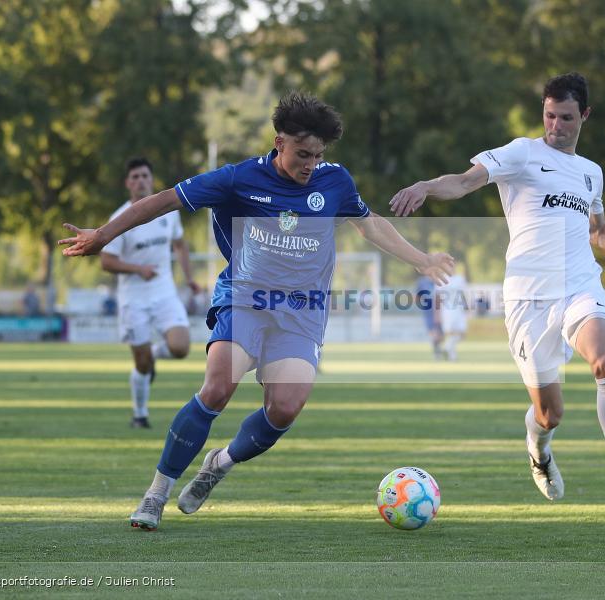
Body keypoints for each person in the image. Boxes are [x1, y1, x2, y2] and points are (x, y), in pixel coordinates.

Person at [59, 91, 453, 531]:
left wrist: (420, 258)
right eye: (303, 154)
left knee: (285, 408)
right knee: (217, 388)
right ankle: (156, 494)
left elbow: (369, 223)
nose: (310, 163)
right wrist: (105, 235)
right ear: (279, 141)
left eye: (318, 155)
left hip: (301, 311)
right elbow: (166, 199)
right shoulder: (238, 178)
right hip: (244, 298)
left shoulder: (335, 181)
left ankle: (220, 463)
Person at [390, 73, 605, 513]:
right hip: (528, 299)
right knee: (551, 413)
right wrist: (425, 187)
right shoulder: (521, 153)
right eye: (549, 115)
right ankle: (539, 450)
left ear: (584, 115)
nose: (556, 126)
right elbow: (464, 181)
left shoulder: (591, 173)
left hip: (579, 285)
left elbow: (600, 232)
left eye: (566, 117)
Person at [100, 158, 200, 429]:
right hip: (134, 299)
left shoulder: (169, 212)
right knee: (141, 363)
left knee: (181, 347)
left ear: (151, 179)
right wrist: (136, 268)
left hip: (164, 292)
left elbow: (179, 245)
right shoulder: (119, 219)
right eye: (135, 176)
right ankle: (139, 415)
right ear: (127, 183)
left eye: (145, 175)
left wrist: (190, 279)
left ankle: (156, 353)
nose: (141, 180)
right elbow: (106, 261)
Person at [436, 264, 468, 361]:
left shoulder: (460, 279)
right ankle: (452, 356)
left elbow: (464, 294)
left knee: (462, 333)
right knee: (450, 332)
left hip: (459, 309)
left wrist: (467, 308)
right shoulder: (441, 279)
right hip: (447, 309)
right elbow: (438, 296)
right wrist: (437, 313)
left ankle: (446, 347)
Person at [415, 274, 444, 359]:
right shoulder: (422, 282)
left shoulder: (440, 280)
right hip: (428, 311)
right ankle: (437, 351)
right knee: (433, 333)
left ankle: (439, 348)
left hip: (440, 310)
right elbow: (417, 295)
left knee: (440, 334)